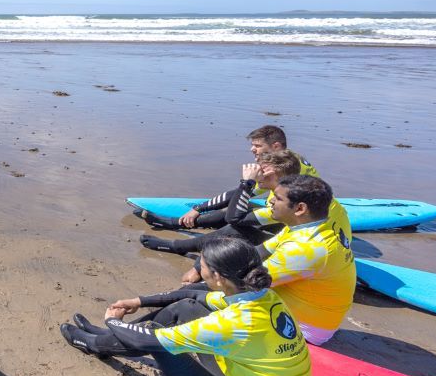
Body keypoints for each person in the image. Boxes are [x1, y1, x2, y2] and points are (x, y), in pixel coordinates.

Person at [61, 237, 316, 376]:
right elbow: (190, 295)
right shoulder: (263, 296)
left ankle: (94, 342)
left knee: (156, 338)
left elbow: (146, 340)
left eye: (201, 265)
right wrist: (139, 301)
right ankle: (101, 341)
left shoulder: (233, 323)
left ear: (217, 277)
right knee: (186, 310)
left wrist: (113, 320)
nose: (198, 269)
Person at [178, 175, 354, 345]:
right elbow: (258, 252)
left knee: (190, 305)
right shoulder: (305, 227)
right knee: (206, 285)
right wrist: (202, 269)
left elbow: (247, 284)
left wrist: (200, 283)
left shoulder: (305, 248)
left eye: (277, 198)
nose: (270, 201)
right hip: (307, 311)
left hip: (304, 329)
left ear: (300, 209)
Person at [141, 150, 349, 255]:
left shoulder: (290, 202)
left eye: (260, 168)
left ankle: (179, 246)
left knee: (237, 228)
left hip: (313, 249)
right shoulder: (290, 185)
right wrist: (197, 209)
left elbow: (234, 218)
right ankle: (176, 223)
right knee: (243, 207)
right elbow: (236, 196)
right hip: (303, 236)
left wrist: (247, 182)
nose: (253, 153)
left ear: (271, 172)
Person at [139, 124, 319, 230]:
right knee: (239, 203)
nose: (252, 149)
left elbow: (245, 193)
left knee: (233, 216)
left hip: (293, 216)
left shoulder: (282, 168)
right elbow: (241, 193)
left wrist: (198, 210)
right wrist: (198, 208)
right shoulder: (289, 158)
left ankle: (175, 224)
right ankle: (186, 221)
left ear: (276, 146)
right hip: (284, 207)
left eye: (257, 145)